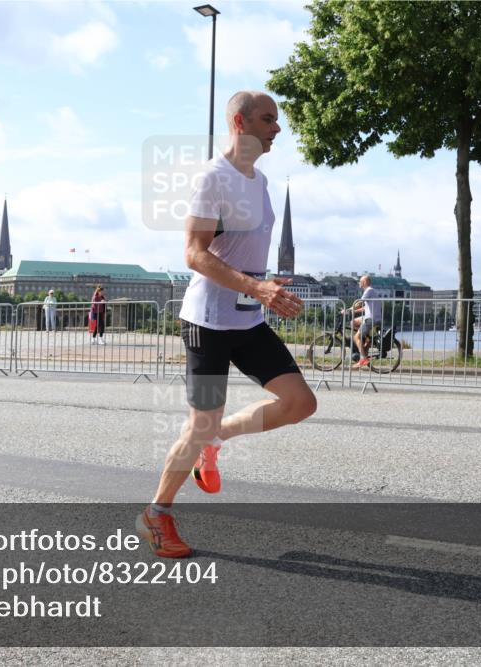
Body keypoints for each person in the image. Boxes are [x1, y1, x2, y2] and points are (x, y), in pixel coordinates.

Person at [136, 91, 317, 558]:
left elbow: (239, 254)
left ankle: (217, 442)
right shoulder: (213, 178)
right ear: (239, 122)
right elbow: (194, 253)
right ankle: (156, 514)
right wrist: (256, 289)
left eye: (277, 120)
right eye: (267, 120)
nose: (277, 128)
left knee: (300, 403)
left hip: (247, 317)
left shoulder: (259, 181)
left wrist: (263, 284)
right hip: (208, 321)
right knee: (200, 422)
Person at [348, 275, 381, 369]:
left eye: (360, 281)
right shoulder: (371, 291)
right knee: (353, 323)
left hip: (371, 319)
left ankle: (363, 359)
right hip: (372, 317)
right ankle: (366, 339)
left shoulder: (369, 290)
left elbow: (359, 303)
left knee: (356, 337)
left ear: (364, 282)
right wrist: (353, 311)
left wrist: (349, 309)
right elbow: (365, 307)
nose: (359, 283)